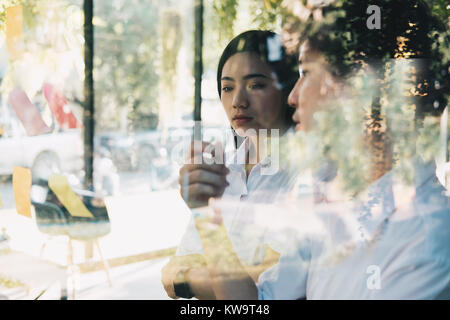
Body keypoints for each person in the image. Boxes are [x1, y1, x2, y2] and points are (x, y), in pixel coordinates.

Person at [189, 0, 450, 299]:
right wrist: (207, 215)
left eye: (307, 72)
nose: (293, 96)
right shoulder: (334, 208)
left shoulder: (427, 243)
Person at [161, 30, 299, 299]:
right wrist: (229, 277)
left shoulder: (305, 176)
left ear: (288, 89)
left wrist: (191, 279)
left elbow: (254, 296)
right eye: (227, 87)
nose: (238, 101)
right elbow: (170, 275)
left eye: (255, 85)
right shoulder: (225, 169)